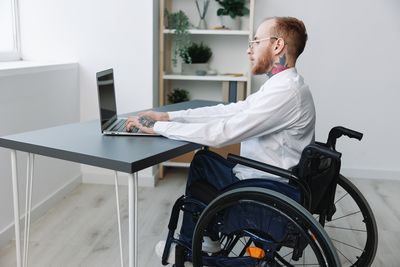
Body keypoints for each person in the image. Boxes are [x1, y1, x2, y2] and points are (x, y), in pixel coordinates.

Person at [127, 16, 315, 265]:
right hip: (272, 180)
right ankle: (208, 240)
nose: (249, 50)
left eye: (255, 42)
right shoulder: (282, 86)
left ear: (277, 46)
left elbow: (223, 132)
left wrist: (159, 128)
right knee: (204, 161)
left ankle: (188, 248)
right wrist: (169, 116)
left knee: (203, 163)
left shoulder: (285, 92)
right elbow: (231, 111)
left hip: (267, 189)